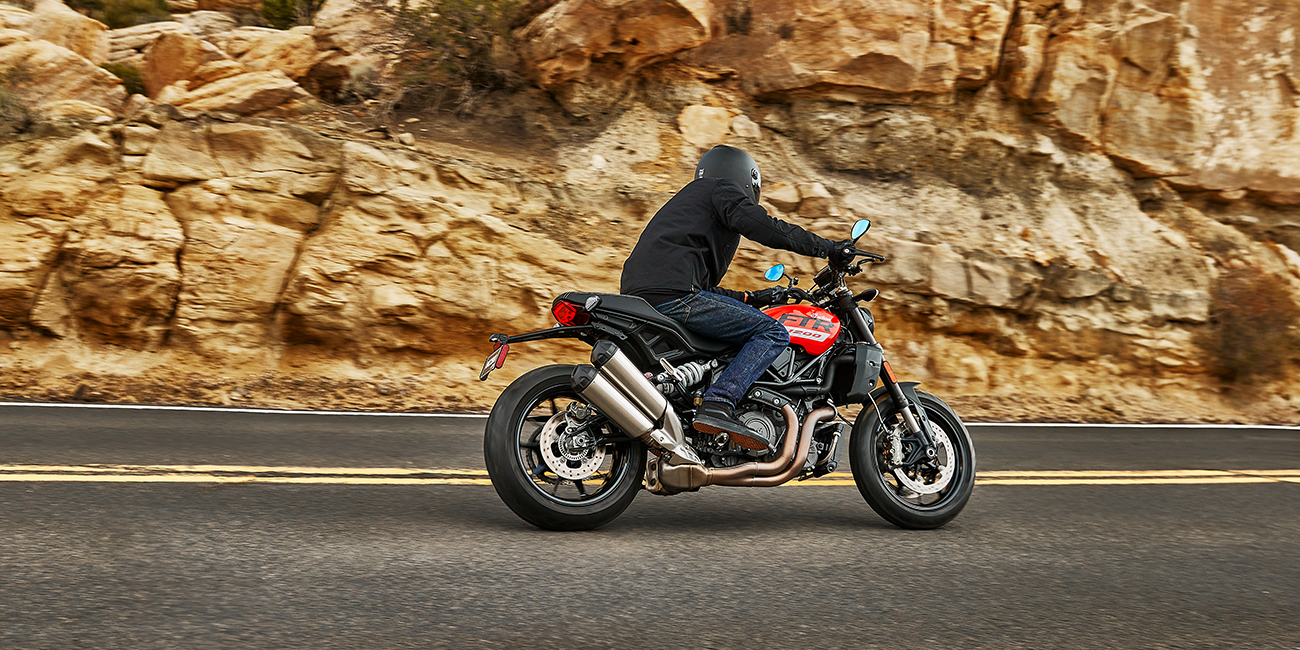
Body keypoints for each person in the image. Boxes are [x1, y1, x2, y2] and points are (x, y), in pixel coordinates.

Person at [619, 145, 855, 452]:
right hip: (675, 296)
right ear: (746, 178)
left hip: (648, 296)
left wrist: (755, 297)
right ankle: (719, 402)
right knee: (771, 332)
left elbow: (704, 290)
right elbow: (766, 228)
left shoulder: (690, 205)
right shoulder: (721, 190)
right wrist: (828, 248)